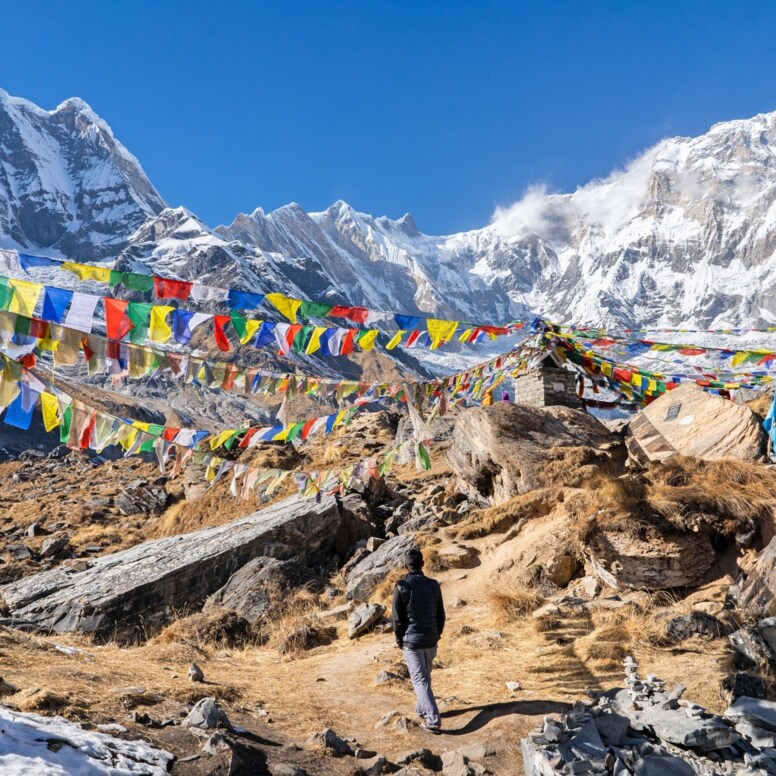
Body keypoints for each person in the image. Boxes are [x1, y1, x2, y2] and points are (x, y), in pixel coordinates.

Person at [392, 548, 446, 733]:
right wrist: (437, 635)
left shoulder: (401, 586)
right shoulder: (433, 585)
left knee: (420, 680)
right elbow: (441, 615)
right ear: (422, 564)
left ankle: (433, 721)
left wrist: (399, 640)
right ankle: (421, 709)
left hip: (412, 642)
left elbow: (397, 619)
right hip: (431, 640)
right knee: (425, 677)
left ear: (405, 566)